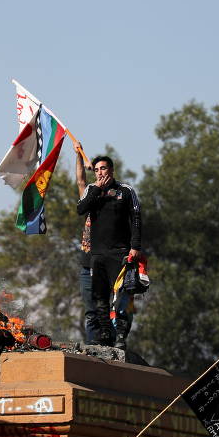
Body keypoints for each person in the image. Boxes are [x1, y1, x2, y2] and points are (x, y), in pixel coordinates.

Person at [76, 154, 142, 350]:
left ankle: (121, 335)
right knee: (99, 298)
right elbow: (81, 209)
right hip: (97, 255)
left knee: (123, 297)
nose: (100, 173)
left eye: (103, 169)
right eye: (96, 170)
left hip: (121, 253)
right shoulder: (92, 191)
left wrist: (135, 246)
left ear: (111, 170)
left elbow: (136, 218)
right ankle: (104, 334)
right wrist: (96, 189)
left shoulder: (126, 191)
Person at [73, 142, 98, 345]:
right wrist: (79, 155)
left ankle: (111, 345)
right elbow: (81, 180)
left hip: (108, 261)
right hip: (87, 264)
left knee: (108, 309)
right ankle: (93, 348)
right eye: (97, 171)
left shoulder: (116, 196)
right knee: (90, 311)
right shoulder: (90, 196)